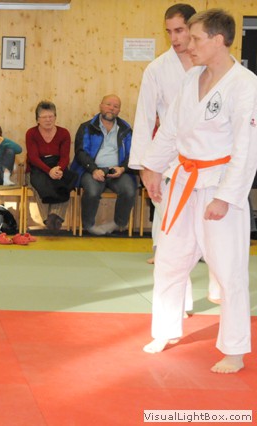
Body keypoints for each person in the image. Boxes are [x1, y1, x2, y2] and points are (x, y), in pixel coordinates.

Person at [140, 9, 257, 374]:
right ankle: (165, 330)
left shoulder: (245, 84)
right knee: (170, 259)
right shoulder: (192, 78)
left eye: (195, 38)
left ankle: (234, 349)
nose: (187, 45)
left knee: (228, 269)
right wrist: (152, 167)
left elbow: (246, 148)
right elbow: (170, 130)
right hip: (183, 181)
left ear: (218, 40)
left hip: (219, 184)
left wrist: (226, 196)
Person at [130, 3, 220, 313]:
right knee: (173, 238)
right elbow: (144, 118)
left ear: (194, 28)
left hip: (209, 160)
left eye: (180, 30)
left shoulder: (211, 65)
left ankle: (218, 280)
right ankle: (179, 303)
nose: (175, 38)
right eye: (169, 32)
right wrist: (145, 166)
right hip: (170, 162)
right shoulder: (157, 69)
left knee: (209, 232)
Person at [69, 95, 136, 235]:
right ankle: (89, 225)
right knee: (92, 192)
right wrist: (93, 169)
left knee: (129, 190)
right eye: (108, 104)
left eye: (116, 106)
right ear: (101, 105)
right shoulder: (86, 127)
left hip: (117, 171)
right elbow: (81, 152)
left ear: (119, 110)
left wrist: (122, 168)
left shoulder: (126, 130)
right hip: (92, 170)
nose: (111, 108)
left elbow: (133, 153)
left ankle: (119, 223)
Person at [25, 101, 76, 231]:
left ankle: (55, 216)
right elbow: (33, 158)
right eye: (44, 117)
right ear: (37, 119)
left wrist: (59, 169)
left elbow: (65, 157)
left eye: (51, 116)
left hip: (58, 166)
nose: (48, 120)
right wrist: (49, 171)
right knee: (38, 183)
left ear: (55, 117)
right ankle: (47, 219)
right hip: (38, 168)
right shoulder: (31, 133)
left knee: (67, 182)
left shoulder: (64, 133)